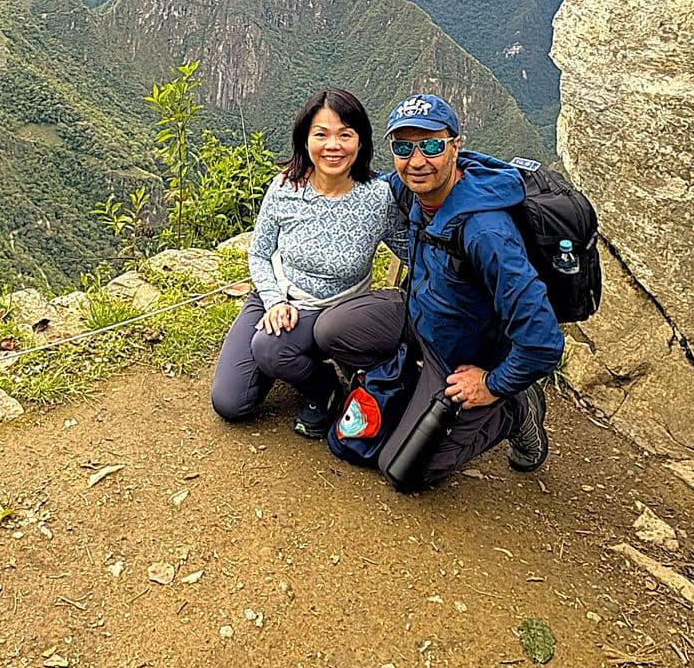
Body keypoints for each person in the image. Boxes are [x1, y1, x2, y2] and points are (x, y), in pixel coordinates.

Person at [313, 92, 560, 487]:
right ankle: (406, 386)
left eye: (430, 145)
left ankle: (515, 410)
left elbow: (544, 340)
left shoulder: (486, 233)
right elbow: (361, 186)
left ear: (455, 147)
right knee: (329, 330)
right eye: (403, 147)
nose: (417, 161)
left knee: (403, 471)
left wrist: (494, 384)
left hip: (461, 359)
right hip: (418, 319)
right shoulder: (410, 186)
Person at [210, 88, 395, 436]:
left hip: (334, 312)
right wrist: (274, 300)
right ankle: (287, 360)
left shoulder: (377, 197)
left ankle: (323, 389)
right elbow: (260, 253)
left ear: (361, 141)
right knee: (230, 402)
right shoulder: (285, 188)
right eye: (321, 134)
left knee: (269, 347)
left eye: (345, 134)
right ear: (305, 139)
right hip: (277, 295)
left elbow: (410, 247)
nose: (333, 146)